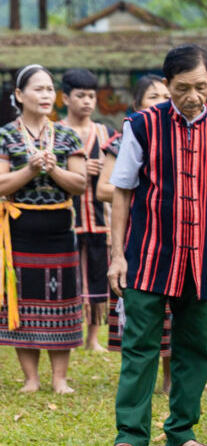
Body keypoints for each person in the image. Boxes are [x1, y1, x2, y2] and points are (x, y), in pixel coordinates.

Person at [106, 44, 207, 446]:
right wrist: (117, 256)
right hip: (148, 257)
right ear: (166, 85)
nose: (193, 95)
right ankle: (129, 437)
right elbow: (121, 191)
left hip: (203, 262)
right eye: (182, 87)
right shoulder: (141, 126)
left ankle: (182, 431)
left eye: (201, 86)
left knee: (196, 350)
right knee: (140, 347)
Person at [0, 64, 87, 394]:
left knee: (61, 301)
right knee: (23, 301)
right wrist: (30, 169)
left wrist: (53, 171)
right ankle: (31, 379)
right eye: (39, 89)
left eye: (50, 89)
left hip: (59, 230)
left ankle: (60, 379)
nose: (47, 95)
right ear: (20, 95)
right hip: (20, 230)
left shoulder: (66, 135)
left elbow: (79, 184)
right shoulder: (6, 135)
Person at [97, 75, 175, 395]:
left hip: (172, 236)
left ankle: (171, 378)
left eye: (166, 96)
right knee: (141, 310)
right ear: (136, 104)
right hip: (136, 237)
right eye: (153, 97)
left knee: (174, 309)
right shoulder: (125, 137)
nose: (162, 102)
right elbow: (104, 187)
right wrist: (139, 193)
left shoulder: (180, 140)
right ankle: (138, 377)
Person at [59, 69, 117, 353]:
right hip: (69, 218)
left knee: (98, 276)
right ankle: (72, 333)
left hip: (100, 218)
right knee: (71, 278)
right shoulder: (56, 132)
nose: (87, 101)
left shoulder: (104, 132)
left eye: (91, 96)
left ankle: (93, 337)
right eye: (80, 95)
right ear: (66, 97)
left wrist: (100, 170)